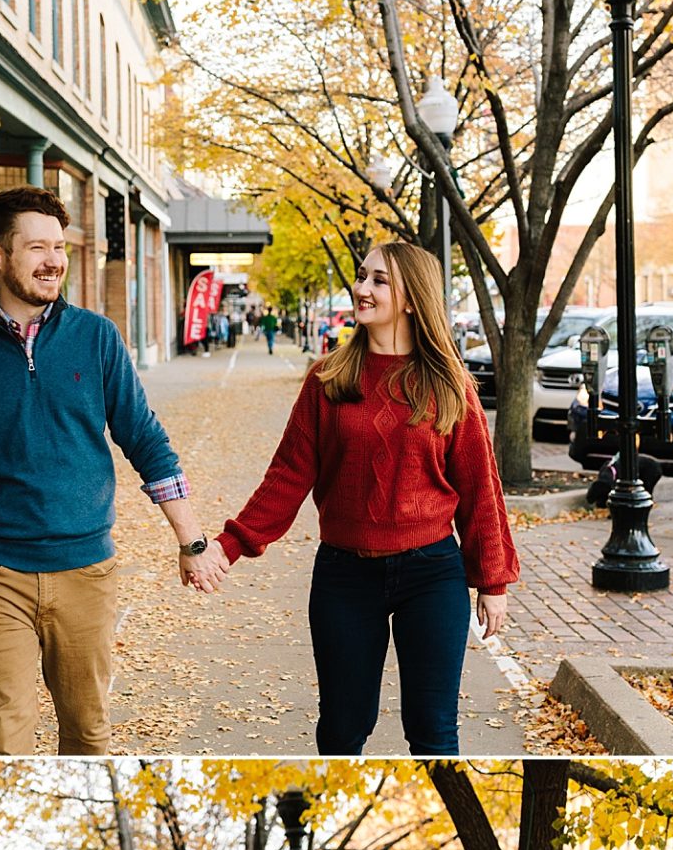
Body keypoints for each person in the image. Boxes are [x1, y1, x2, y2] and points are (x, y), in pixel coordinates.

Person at [0, 186, 213, 756]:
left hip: (86, 570)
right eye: (37, 247)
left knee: (89, 735)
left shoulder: (97, 338)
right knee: (3, 740)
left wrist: (192, 539)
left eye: (59, 247)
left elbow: (145, 439)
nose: (54, 261)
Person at [186, 241, 520, 756]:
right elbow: (287, 477)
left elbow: (481, 487)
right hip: (345, 575)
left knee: (433, 731)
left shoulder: (449, 385)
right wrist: (227, 547)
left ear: (413, 298)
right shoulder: (328, 378)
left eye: (379, 280)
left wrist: (491, 579)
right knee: (342, 728)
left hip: (432, 573)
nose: (362, 288)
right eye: (362, 277)